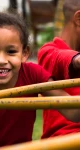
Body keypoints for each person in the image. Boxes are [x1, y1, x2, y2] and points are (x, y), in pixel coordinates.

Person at [0, 12, 80, 150]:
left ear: (24, 53)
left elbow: (72, 111)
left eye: (11, 52)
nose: (1, 60)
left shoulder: (33, 74)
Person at [38, 0, 80, 139]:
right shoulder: (48, 52)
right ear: (78, 19)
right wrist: (77, 59)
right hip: (64, 140)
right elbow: (61, 58)